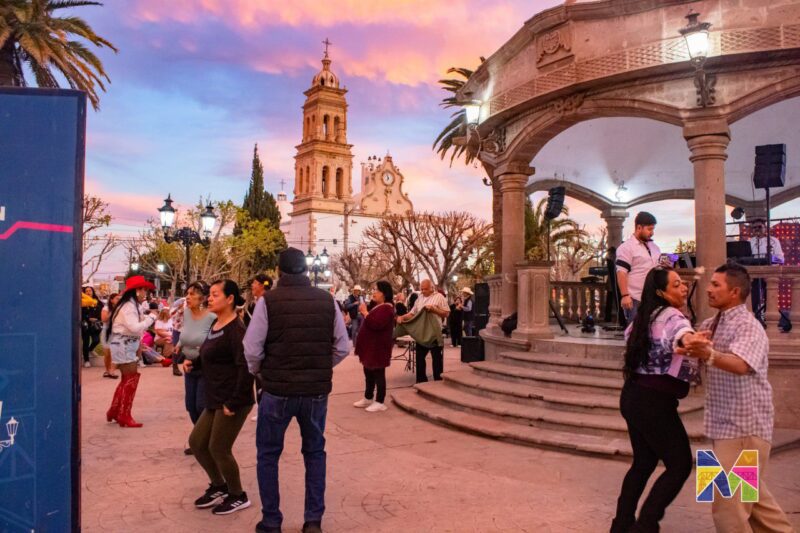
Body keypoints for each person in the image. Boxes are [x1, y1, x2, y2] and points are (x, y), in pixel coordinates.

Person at [678, 263, 794, 533]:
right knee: (754, 503)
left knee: (727, 508)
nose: (708, 289)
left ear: (735, 291)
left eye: (716, 285)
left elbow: (742, 365)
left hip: (744, 429)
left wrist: (708, 354)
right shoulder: (709, 324)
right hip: (718, 428)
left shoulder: (749, 326)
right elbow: (692, 359)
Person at [243, 247, 350, 533]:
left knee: (268, 454)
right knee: (314, 452)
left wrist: (260, 371)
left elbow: (251, 348)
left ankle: (271, 521)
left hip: (277, 390)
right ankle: (312, 521)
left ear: (278, 272)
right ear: (305, 270)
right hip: (315, 393)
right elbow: (342, 347)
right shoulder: (327, 300)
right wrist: (320, 366)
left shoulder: (269, 301)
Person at [610, 267, 704, 532]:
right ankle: (645, 526)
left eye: (683, 283)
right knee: (680, 464)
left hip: (633, 396)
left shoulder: (644, 316)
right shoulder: (672, 316)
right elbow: (678, 333)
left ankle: (622, 524)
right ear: (661, 292)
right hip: (653, 402)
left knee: (644, 461)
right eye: (676, 285)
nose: (684, 287)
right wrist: (688, 340)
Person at [188, 279, 254, 516]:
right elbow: (210, 354)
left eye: (215, 295)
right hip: (215, 396)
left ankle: (237, 495)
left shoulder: (237, 330)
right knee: (197, 442)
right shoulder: (216, 323)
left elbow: (245, 367)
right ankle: (219, 486)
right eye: (210, 295)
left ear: (230, 299)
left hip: (233, 399)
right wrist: (192, 362)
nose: (210, 298)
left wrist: (234, 402)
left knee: (219, 448)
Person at [105, 275, 157, 428]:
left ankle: (116, 411)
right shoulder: (129, 306)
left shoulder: (131, 305)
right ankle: (124, 414)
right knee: (130, 379)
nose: (146, 293)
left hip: (125, 342)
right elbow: (134, 327)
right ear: (137, 290)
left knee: (127, 379)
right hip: (124, 343)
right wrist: (151, 318)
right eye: (144, 290)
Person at [177, 282, 217, 434]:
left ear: (202, 299)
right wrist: (180, 344)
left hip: (205, 368)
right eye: (187, 293)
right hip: (189, 366)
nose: (187, 297)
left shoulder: (212, 317)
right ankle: (200, 437)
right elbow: (188, 332)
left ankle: (204, 439)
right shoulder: (187, 313)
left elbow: (213, 343)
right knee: (190, 406)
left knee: (201, 405)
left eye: (192, 294)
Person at [353, 281, 395, 413]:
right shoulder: (378, 306)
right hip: (371, 347)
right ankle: (368, 397)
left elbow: (376, 324)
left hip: (378, 347)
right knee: (368, 372)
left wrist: (365, 313)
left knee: (378, 373)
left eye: (377, 290)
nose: (374, 292)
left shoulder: (387, 308)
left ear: (384, 293)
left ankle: (380, 401)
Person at [397, 279, 450, 383]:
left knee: (437, 359)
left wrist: (434, 310)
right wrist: (402, 317)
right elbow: (412, 313)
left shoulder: (439, 297)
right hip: (421, 333)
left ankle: (438, 382)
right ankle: (421, 382)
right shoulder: (419, 298)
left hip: (434, 333)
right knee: (420, 358)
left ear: (432, 288)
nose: (423, 291)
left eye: (425, 289)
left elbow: (446, 313)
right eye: (421, 289)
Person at [616, 211, 662, 323]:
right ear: (639, 227)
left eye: (653, 229)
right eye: (649, 229)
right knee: (635, 334)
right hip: (635, 298)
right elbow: (621, 272)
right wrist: (625, 295)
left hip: (653, 297)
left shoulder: (655, 247)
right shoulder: (626, 248)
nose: (652, 233)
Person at [747, 218, 785, 319]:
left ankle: (769, 317)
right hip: (754, 272)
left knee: (769, 296)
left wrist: (768, 258)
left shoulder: (773, 241)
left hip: (769, 273)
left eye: (759, 227)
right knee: (754, 296)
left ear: (765, 228)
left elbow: (781, 259)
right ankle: (756, 317)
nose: (756, 229)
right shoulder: (750, 242)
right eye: (754, 228)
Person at [81, 286, 104, 368]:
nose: (88, 292)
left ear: (93, 291)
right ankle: (86, 360)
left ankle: (90, 350)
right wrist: (88, 318)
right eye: (86, 291)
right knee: (86, 342)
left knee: (96, 340)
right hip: (86, 325)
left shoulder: (98, 302)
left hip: (95, 325)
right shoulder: (82, 302)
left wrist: (98, 319)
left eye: (90, 290)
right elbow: (80, 314)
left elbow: (102, 312)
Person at [99, 293, 120, 379]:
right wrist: (112, 312)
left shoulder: (120, 308)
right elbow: (104, 319)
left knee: (114, 352)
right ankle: (107, 370)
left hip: (116, 331)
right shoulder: (106, 308)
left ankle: (112, 370)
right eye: (116, 299)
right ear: (111, 300)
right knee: (107, 353)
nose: (118, 300)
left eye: (119, 299)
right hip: (107, 331)